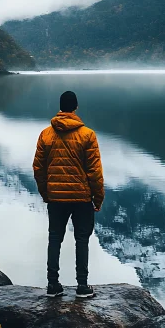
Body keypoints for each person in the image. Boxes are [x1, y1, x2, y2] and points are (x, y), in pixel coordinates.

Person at [32, 90, 104, 299]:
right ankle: (82, 286)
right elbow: (95, 172)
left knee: (55, 238)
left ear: (60, 107)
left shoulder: (46, 134)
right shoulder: (87, 135)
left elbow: (38, 168)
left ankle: (52, 285)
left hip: (56, 198)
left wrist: (47, 193)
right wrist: (97, 199)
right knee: (82, 240)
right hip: (82, 198)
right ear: (76, 108)